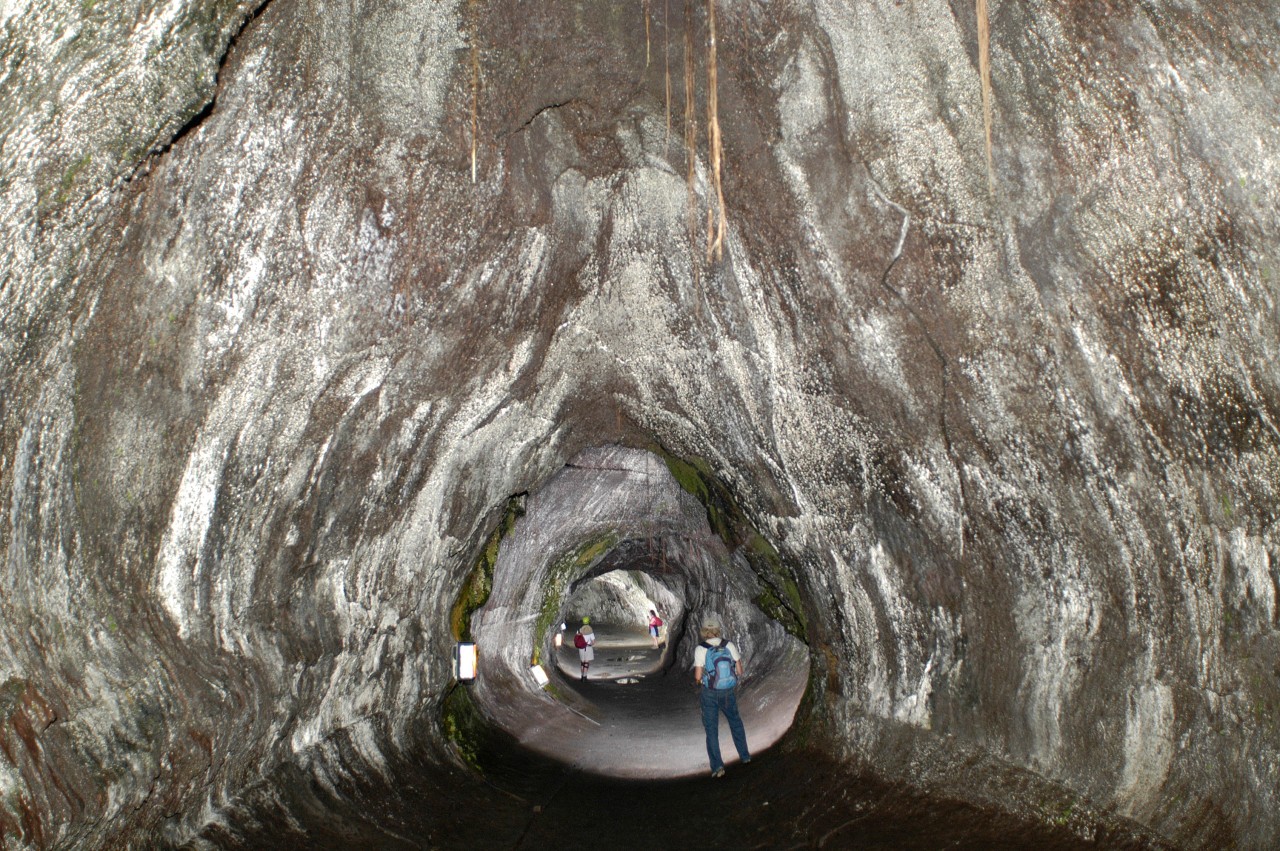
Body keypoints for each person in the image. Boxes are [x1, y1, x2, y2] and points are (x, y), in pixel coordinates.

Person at [693, 616, 750, 778]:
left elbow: (697, 676)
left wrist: (702, 680)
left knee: (711, 730)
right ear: (719, 630)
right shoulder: (728, 645)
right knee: (735, 722)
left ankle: (718, 767)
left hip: (709, 693)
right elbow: (739, 671)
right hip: (728, 692)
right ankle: (745, 756)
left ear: (704, 631)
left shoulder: (701, 649)